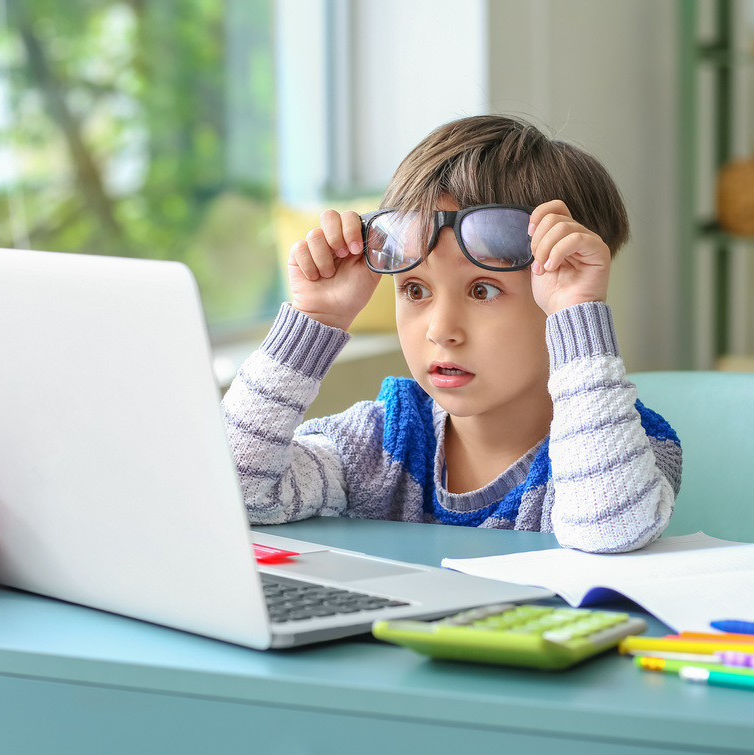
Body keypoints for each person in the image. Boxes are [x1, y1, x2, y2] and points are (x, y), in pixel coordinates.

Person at [222, 114, 681, 553]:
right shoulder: (380, 445)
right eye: (415, 289)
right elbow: (234, 492)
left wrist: (579, 313)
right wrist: (316, 317)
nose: (441, 330)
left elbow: (611, 529)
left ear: (560, 294)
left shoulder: (623, 443)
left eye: (483, 289)